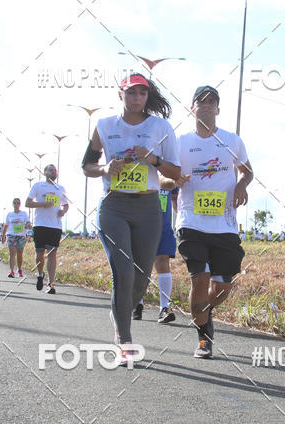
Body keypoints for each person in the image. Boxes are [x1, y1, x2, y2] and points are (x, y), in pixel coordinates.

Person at [82, 74, 180, 363]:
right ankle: (124, 339)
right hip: (114, 206)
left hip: (149, 206)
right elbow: (86, 166)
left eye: (142, 93)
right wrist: (105, 169)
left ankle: (120, 309)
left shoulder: (160, 127)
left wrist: (154, 160)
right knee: (122, 273)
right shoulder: (104, 126)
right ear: (120, 94)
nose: (137, 98)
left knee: (139, 279)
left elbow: (175, 172)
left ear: (147, 97)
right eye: (131, 93)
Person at [170, 85, 253, 359]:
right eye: (200, 101)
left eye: (211, 101)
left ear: (218, 108)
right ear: (192, 107)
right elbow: (159, 177)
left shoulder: (232, 140)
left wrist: (241, 184)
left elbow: (248, 171)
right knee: (199, 280)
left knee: (222, 287)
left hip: (224, 225)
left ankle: (204, 311)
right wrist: (173, 180)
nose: (206, 105)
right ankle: (204, 338)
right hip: (191, 222)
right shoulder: (180, 142)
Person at [133, 187, 179, 323]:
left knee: (162, 262)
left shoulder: (168, 170)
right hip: (140, 226)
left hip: (163, 227)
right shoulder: (140, 167)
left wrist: (181, 217)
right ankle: (137, 303)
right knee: (140, 265)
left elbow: (175, 197)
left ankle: (164, 308)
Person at [25, 165, 69, 294]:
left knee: (52, 254)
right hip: (40, 225)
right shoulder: (38, 186)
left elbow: (66, 205)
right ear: (44, 172)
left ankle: (51, 284)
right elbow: (28, 203)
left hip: (55, 226)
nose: (53, 171)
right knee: (39, 254)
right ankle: (40, 275)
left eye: (55, 170)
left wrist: (63, 211)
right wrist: (43, 204)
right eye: (50, 169)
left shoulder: (60, 189)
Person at [2, 198, 30, 278]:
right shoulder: (10, 214)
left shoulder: (24, 214)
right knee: (12, 253)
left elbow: (27, 222)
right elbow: (6, 226)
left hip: (21, 235)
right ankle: (11, 271)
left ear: (20, 204)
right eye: (15, 203)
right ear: (12, 204)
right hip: (11, 235)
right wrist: (3, 236)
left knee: (19, 254)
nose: (16, 204)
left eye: (18, 203)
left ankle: (19, 269)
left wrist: (28, 225)